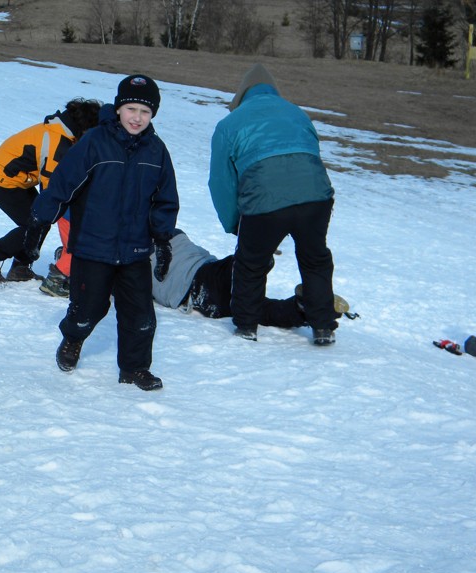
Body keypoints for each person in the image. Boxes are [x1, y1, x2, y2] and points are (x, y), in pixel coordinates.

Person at [22, 74, 179, 391]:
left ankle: (134, 369)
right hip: (93, 247)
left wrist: (162, 239)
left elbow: (165, 199)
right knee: (89, 308)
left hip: (135, 249)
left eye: (145, 112)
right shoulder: (95, 142)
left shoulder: (157, 151)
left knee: (141, 316)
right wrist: (40, 221)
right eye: (132, 109)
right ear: (119, 109)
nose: (137, 117)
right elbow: (62, 185)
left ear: (153, 115)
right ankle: (73, 336)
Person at [208, 63, 339, 345]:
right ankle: (323, 326)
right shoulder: (296, 113)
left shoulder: (230, 123)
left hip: (265, 201)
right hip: (315, 197)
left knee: (250, 262)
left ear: (241, 95)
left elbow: (221, 182)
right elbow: (311, 157)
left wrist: (235, 224)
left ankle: (246, 326)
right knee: (315, 258)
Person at [0, 98, 101, 286]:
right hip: (1, 182)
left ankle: (20, 268)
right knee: (34, 223)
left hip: (18, 180)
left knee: (40, 221)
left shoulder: (62, 130)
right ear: (85, 127)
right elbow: (53, 187)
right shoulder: (58, 142)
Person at [151, 230, 349, 329]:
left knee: (258, 309)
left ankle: (299, 308)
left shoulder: (134, 253)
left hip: (195, 292)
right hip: (204, 277)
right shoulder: (167, 233)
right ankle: (308, 305)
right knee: (246, 276)